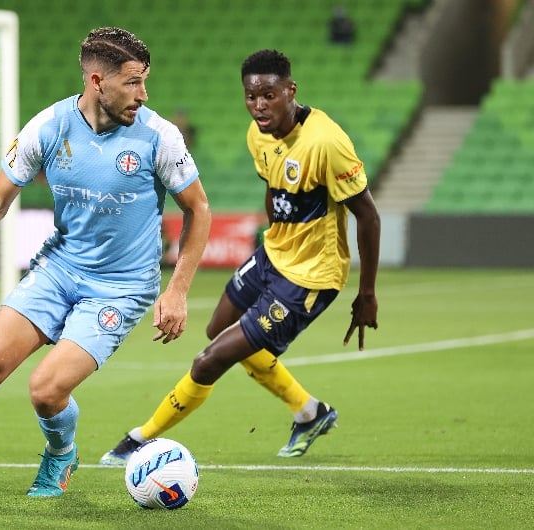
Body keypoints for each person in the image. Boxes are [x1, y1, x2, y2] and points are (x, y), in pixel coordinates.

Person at [0, 27, 211, 501]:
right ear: (98, 81)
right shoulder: (48, 127)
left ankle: (61, 453)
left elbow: (198, 208)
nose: (143, 94)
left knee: (46, 390)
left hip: (120, 287)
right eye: (132, 83)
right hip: (58, 268)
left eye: (144, 81)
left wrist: (176, 290)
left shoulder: (159, 135)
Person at [100, 48, 380, 465]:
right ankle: (310, 413)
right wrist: (270, 240)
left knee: (210, 359)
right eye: (251, 97)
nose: (259, 106)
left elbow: (368, 215)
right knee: (218, 330)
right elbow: (272, 185)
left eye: (269, 95)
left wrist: (367, 292)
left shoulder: (326, 142)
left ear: (291, 90)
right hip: (273, 254)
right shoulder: (258, 134)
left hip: (310, 276)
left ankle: (139, 439)